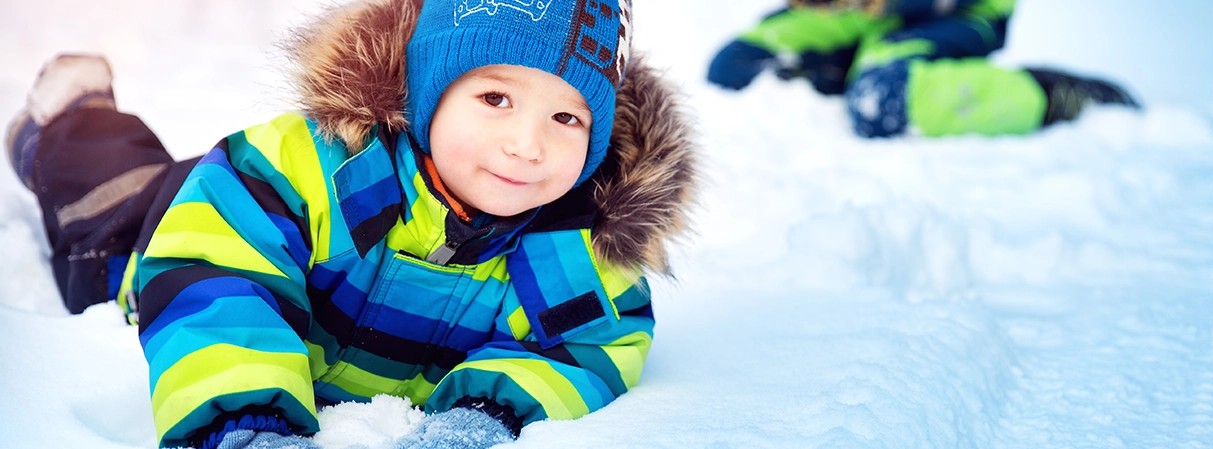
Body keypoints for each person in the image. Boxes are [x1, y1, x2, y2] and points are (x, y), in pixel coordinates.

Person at [4, 0, 698, 448]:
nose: (527, 145)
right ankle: (66, 119)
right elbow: (216, 276)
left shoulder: (579, 251)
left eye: (567, 117)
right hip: (181, 231)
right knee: (103, 198)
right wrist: (245, 421)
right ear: (428, 92)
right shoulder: (316, 167)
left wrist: (483, 415)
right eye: (495, 98)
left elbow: (589, 347)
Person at [707, 0, 1140, 138]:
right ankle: (841, 70)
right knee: (733, 66)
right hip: (859, 11)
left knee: (882, 102)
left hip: (953, 11)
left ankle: (1045, 94)